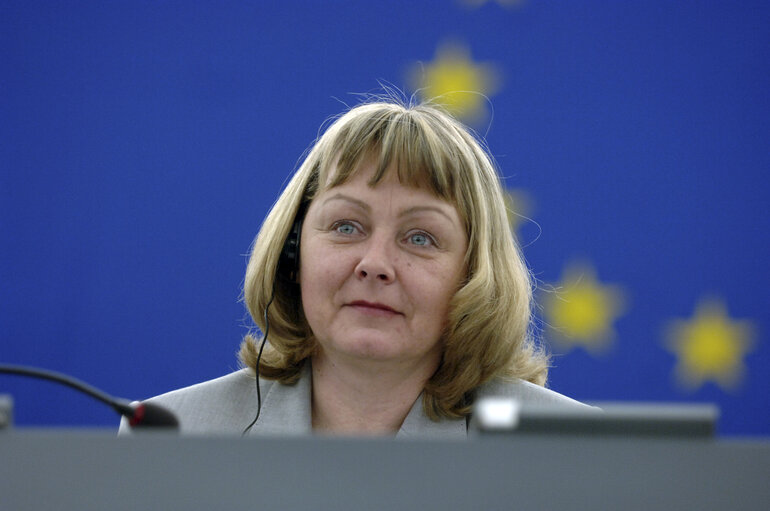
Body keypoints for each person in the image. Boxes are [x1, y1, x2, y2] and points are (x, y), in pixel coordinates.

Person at [119, 98, 589, 437]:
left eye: (420, 238)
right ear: (293, 252)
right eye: (346, 226)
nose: (375, 264)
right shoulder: (171, 434)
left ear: (472, 277)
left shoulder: (571, 449)